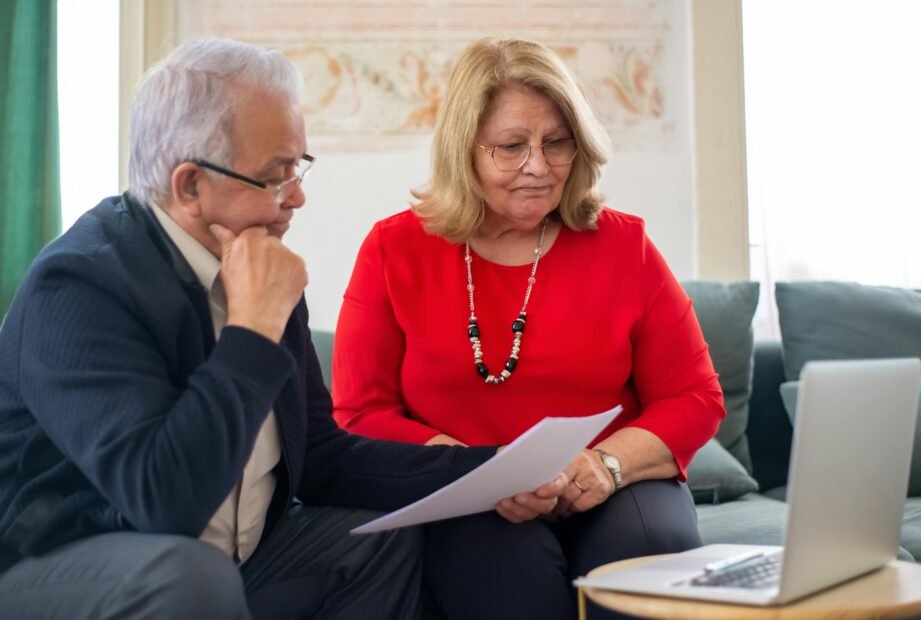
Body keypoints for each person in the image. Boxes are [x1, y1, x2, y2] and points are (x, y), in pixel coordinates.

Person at [0, 38, 566, 619]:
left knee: (376, 540)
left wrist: (493, 470)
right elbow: (166, 501)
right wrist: (252, 328)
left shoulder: (257, 259)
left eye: (299, 168)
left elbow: (323, 458)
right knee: (187, 576)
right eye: (275, 176)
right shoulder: (79, 285)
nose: (295, 197)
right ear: (189, 185)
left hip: (229, 564)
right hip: (60, 571)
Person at [332, 38, 726, 620]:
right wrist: (476, 472)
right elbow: (359, 412)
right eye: (512, 147)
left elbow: (695, 395)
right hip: (467, 494)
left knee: (647, 554)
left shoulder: (625, 245)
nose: (538, 166)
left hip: (611, 482)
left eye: (557, 143)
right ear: (464, 150)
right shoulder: (394, 248)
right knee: (503, 573)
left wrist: (605, 466)